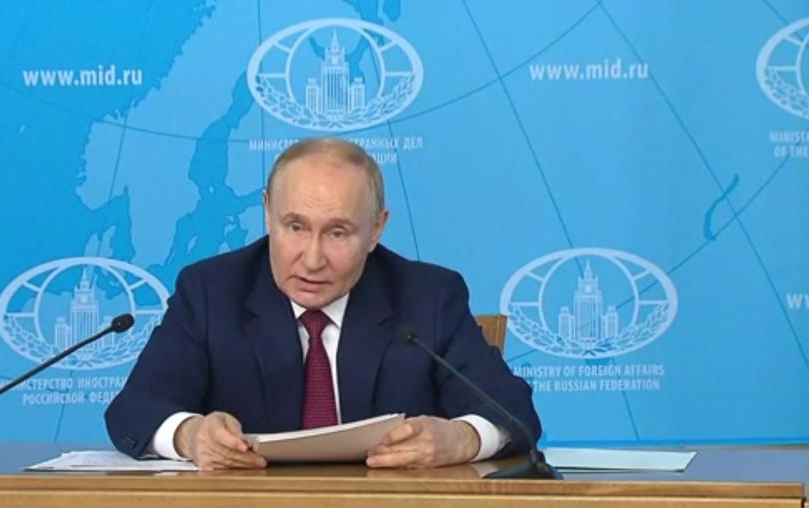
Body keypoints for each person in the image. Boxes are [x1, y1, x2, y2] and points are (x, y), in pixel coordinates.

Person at [105, 137, 541, 470]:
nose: (312, 260)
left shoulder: (428, 296)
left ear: (376, 229)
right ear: (267, 212)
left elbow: (513, 412)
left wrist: (462, 439)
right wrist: (191, 434)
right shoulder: (210, 291)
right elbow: (134, 410)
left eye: (337, 233)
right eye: (295, 227)